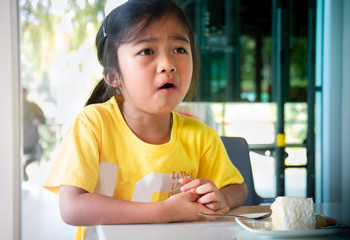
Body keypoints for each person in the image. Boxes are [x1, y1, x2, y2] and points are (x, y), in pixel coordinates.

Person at [43, 0, 248, 239]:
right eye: (147, 51)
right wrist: (165, 211)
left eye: (179, 50)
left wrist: (221, 197)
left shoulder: (201, 136)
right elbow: (72, 208)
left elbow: (238, 189)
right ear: (113, 75)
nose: (168, 65)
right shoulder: (94, 123)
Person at [23, 88, 45, 181]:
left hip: (30, 140)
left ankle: (24, 166)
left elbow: (43, 119)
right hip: (21, 141)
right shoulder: (12, 106)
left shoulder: (33, 106)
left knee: (39, 152)